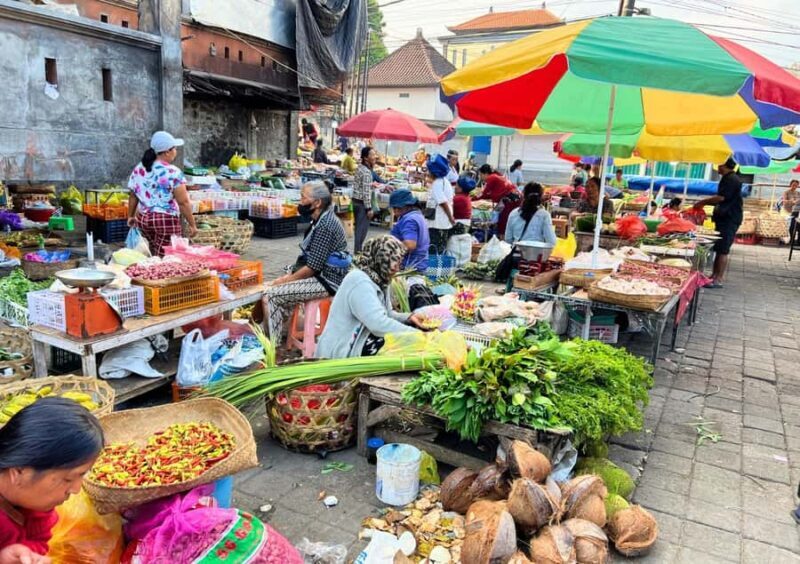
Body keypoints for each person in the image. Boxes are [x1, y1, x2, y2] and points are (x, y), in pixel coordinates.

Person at [0, 397, 104, 563]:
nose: (76, 489)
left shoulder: (36, 506)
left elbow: (39, 540)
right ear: (19, 471)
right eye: (68, 479)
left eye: (81, 475)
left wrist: (23, 553)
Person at [262, 181, 348, 341]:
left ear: (317, 202)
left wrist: (286, 281)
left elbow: (312, 267)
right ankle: (281, 324)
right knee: (282, 278)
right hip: (321, 273)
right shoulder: (320, 219)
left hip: (328, 280)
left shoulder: (326, 225)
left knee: (271, 296)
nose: (300, 202)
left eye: (303, 198)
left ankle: (272, 345)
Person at [316, 236, 425, 358]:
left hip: (364, 336)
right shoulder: (359, 281)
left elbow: (388, 314)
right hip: (344, 348)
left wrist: (409, 318)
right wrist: (418, 335)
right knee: (406, 344)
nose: (397, 269)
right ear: (381, 260)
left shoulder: (381, 279)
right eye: (395, 262)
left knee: (410, 334)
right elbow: (378, 324)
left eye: (399, 263)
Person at [127, 131, 198, 257]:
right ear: (167, 152)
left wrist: (130, 216)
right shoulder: (173, 172)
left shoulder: (140, 168)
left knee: (149, 254)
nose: (176, 151)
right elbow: (183, 202)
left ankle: (148, 276)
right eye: (174, 148)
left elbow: (133, 195)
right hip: (165, 219)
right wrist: (192, 224)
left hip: (144, 218)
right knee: (166, 258)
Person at [694, 157, 743, 287]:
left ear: (724, 165)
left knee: (723, 249)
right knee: (719, 247)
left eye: (719, 165)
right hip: (724, 218)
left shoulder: (731, 179)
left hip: (730, 218)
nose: (718, 167)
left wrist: (702, 202)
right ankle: (713, 276)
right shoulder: (728, 178)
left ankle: (718, 279)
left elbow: (721, 197)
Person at [389, 190, 429, 273]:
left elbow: (410, 245)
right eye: (394, 208)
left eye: (397, 207)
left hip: (410, 267)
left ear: (407, 206)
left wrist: (388, 247)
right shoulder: (417, 215)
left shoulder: (409, 220)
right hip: (419, 264)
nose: (394, 210)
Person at [476, 164, 520, 238]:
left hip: (510, 200)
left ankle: (503, 240)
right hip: (514, 198)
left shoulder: (491, 178)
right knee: (506, 220)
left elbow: (484, 194)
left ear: (486, 173)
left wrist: (470, 198)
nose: (480, 177)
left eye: (481, 175)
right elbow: (489, 194)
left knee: (503, 222)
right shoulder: (497, 176)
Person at [425, 155, 455, 252]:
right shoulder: (444, 181)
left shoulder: (437, 183)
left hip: (438, 223)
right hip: (442, 222)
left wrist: (451, 218)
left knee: (434, 250)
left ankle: (433, 267)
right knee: (439, 249)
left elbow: (443, 203)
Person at [353, 147, 379, 253]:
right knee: (361, 231)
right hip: (362, 204)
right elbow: (366, 192)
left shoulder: (360, 168)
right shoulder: (367, 172)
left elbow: (361, 186)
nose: (374, 157)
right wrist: (369, 208)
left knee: (358, 229)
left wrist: (370, 185)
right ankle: (357, 253)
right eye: (372, 155)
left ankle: (357, 251)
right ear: (365, 158)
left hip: (355, 201)